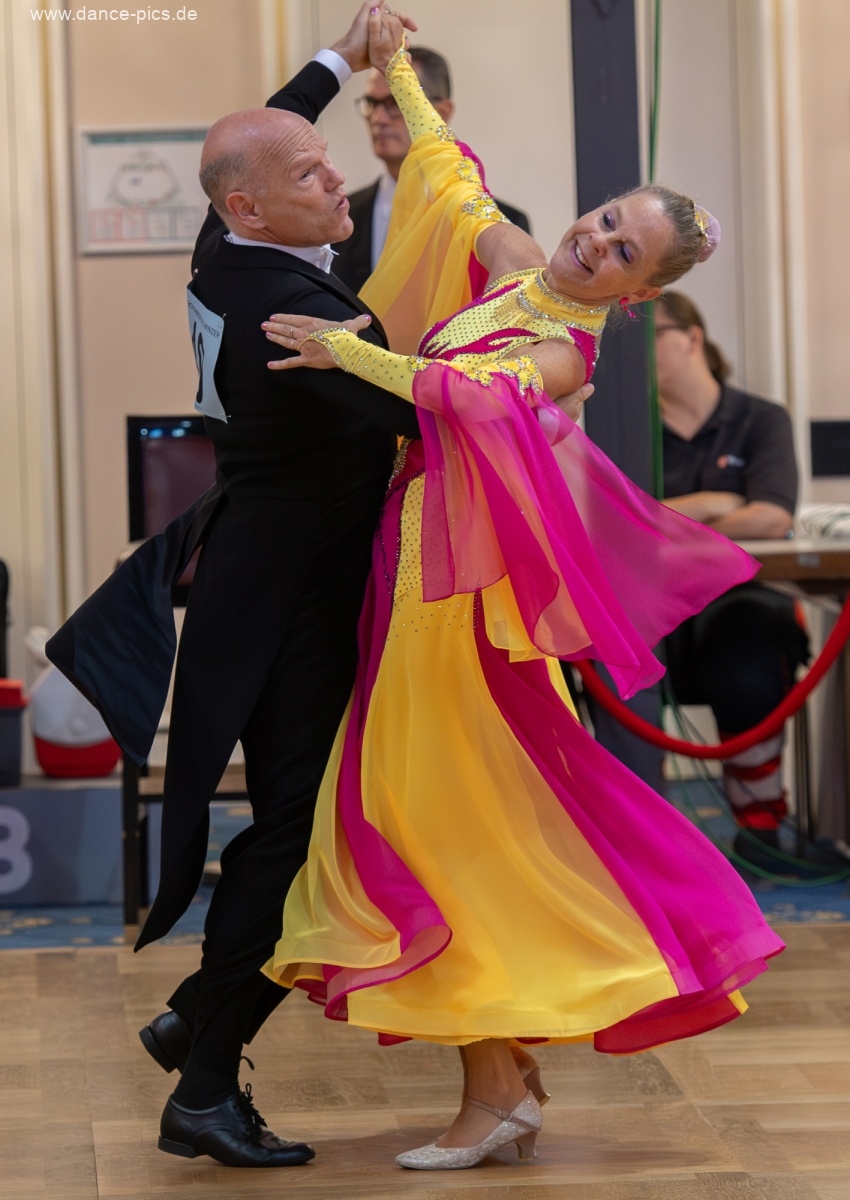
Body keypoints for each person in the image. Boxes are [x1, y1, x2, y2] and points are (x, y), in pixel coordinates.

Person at [259, 11, 784, 1172]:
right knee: (438, 823)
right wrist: (390, 58)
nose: (595, 242)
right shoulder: (515, 265)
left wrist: (346, 350)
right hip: (415, 575)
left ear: (635, 294)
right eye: (604, 219)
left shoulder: (565, 353)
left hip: (462, 609)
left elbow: (467, 396)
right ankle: (506, 1084)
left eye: (620, 251)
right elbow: (448, 170)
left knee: (443, 828)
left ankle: (494, 1091)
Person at [47, 0, 425, 1171]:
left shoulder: (230, 246)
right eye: (312, 176)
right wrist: (549, 353)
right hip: (285, 606)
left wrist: (337, 61)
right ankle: (204, 1084)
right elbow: (431, 411)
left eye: (329, 162)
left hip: (264, 578)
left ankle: (193, 1024)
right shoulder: (286, 313)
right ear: (251, 207)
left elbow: (271, 131)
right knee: (297, 840)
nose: (339, 177)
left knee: (309, 831)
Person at [656, 290, 809, 858]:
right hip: (656, 600)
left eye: (651, 336)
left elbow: (772, 518)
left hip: (742, 596)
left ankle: (760, 828)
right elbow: (623, 525)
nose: (635, 356)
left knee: (747, 644)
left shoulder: (760, 419)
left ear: (692, 338)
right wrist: (713, 503)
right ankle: (640, 835)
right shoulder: (628, 427)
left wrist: (668, 517)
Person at [332, 44, 530, 292]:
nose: (378, 118)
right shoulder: (340, 217)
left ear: (441, 113)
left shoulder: (503, 225)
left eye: (396, 102)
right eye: (371, 103)